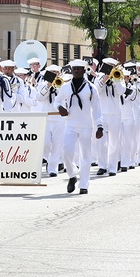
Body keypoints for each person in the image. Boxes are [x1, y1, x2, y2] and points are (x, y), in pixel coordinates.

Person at [55, 58, 104, 195]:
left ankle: (84, 185)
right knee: (66, 152)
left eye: (79, 69)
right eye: (74, 69)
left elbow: (97, 109)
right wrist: (59, 107)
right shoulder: (65, 87)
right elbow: (57, 100)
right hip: (70, 124)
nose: (76, 71)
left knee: (85, 155)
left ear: (83, 70)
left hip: (86, 125)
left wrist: (99, 126)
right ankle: (72, 175)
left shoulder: (91, 88)